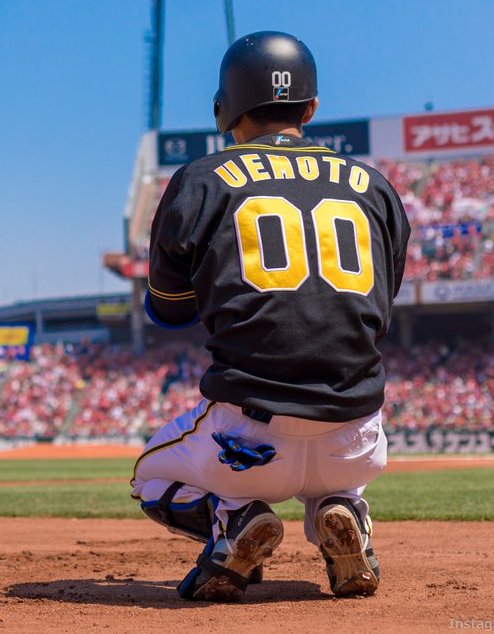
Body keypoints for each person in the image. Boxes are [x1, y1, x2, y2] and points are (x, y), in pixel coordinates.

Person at [131, 31, 410, 602]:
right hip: (356, 436)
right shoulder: (375, 187)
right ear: (310, 108)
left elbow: (168, 310)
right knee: (334, 469)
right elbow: (378, 304)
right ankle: (343, 509)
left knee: (148, 476)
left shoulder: (201, 179)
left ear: (222, 109)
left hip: (248, 441)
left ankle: (234, 521)